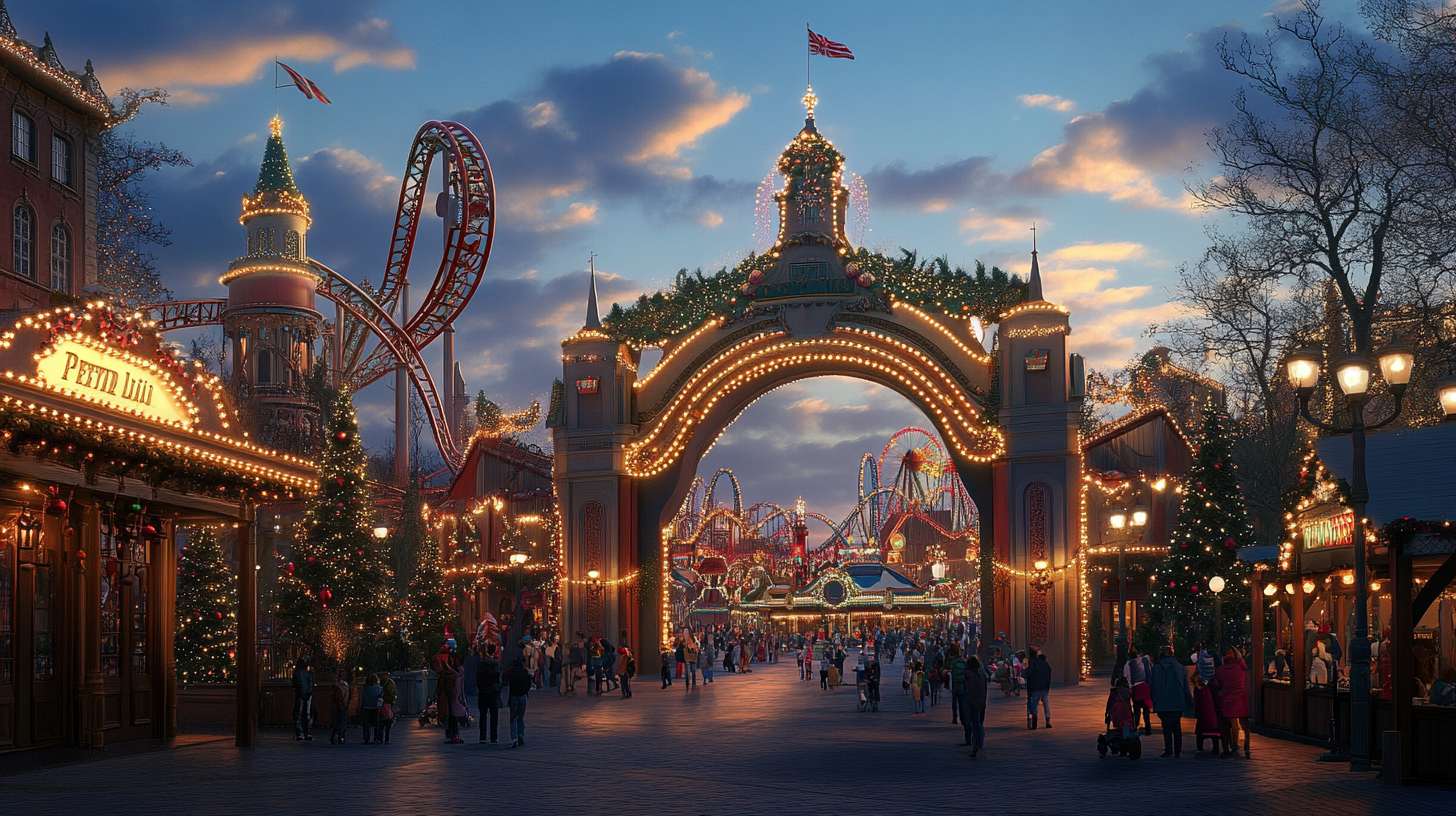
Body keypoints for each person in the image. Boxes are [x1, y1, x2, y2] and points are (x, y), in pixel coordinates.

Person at [1150, 645, 1193, 758]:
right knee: (1176, 727)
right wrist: (1188, 700)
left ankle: (1168, 750)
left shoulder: (1156, 668)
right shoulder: (1180, 667)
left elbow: (1152, 685)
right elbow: (1185, 686)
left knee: (1166, 727)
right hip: (1177, 700)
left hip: (1162, 702)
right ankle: (1177, 751)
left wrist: (1154, 701)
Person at [1213, 648, 1251, 758]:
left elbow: (1217, 686)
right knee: (1245, 726)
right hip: (1240, 701)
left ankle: (1226, 749)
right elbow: (1242, 661)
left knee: (1225, 726)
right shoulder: (1240, 667)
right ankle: (1247, 749)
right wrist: (1235, 650)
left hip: (1227, 702)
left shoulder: (1219, 670)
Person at [437, 651, 467, 745]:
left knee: (449, 717)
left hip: (447, 698)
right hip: (454, 698)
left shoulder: (444, 674)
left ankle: (451, 735)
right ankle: (454, 735)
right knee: (453, 718)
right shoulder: (457, 674)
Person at [475, 642, 502, 744]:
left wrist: (480, 688)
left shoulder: (482, 664)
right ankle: (493, 737)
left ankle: (483, 737)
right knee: (494, 716)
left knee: (483, 715)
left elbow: (478, 678)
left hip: (483, 692)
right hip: (493, 693)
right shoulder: (497, 664)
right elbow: (500, 679)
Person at [1123, 646, 1154, 734]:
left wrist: (1129, 688)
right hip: (1144, 686)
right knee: (1146, 709)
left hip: (1136, 688)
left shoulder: (1128, 664)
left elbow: (1127, 676)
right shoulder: (1141, 661)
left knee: (1136, 709)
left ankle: (1135, 726)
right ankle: (1148, 728)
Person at [963, 655, 988, 758]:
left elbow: (968, 689)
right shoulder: (982, 675)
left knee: (975, 724)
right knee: (979, 723)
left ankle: (975, 745)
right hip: (981, 701)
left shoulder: (971, 676)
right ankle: (979, 743)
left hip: (974, 702)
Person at [1192, 674, 1222, 755]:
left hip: (1203, 720)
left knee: (1200, 733)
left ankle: (1200, 747)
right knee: (1215, 733)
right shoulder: (1217, 692)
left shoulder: (1201, 692)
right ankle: (1216, 748)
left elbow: (1197, 705)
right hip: (1214, 720)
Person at [506, 656, 532, 749]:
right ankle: (520, 734)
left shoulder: (512, 672)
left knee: (513, 718)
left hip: (513, 696)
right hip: (523, 696)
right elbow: (529, 684)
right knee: (520, 717)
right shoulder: (525, 672)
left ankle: (514, 739)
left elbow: (507, 681)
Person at [1024, 651, 1052, 729]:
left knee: (1034, 704)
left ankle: (1034, 718)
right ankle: (1047, 720)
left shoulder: (1034, 665)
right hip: (1045, 688)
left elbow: (1029, 674)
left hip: (1035, 688)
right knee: (1046, 704)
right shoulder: (1047, 666)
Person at [290, 655, 314, 741]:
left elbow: (294, 684)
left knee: (298, 713)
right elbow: (311, 683)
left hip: (300, 694)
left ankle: (300, 732)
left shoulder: (297, 672)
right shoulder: (310, 673)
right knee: (307, 713)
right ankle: (307, 732)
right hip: (308, 695)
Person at [947, 643, 967, 725]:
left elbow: (947, 669)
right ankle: (964, 718)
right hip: (962, 682)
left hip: (954, 683)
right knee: (962, 702)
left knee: (954, 701)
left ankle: (954, 718)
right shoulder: (962, 660)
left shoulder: (951, 660)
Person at [329, 675, 350, 745]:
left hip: (336, 705)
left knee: (336, 720)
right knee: (342, 721)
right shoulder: (345, 685)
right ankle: (341, 736)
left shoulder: (336, 685)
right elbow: (346, 696)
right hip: (343, 705)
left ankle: (334, 734)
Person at [379, 672, 397, 745]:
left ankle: (381, 738)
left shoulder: (381, 683)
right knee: (387, 721)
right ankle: (386, 738)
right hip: (387, 704)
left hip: (383, 704)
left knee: (382, 722)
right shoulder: (389, 683)